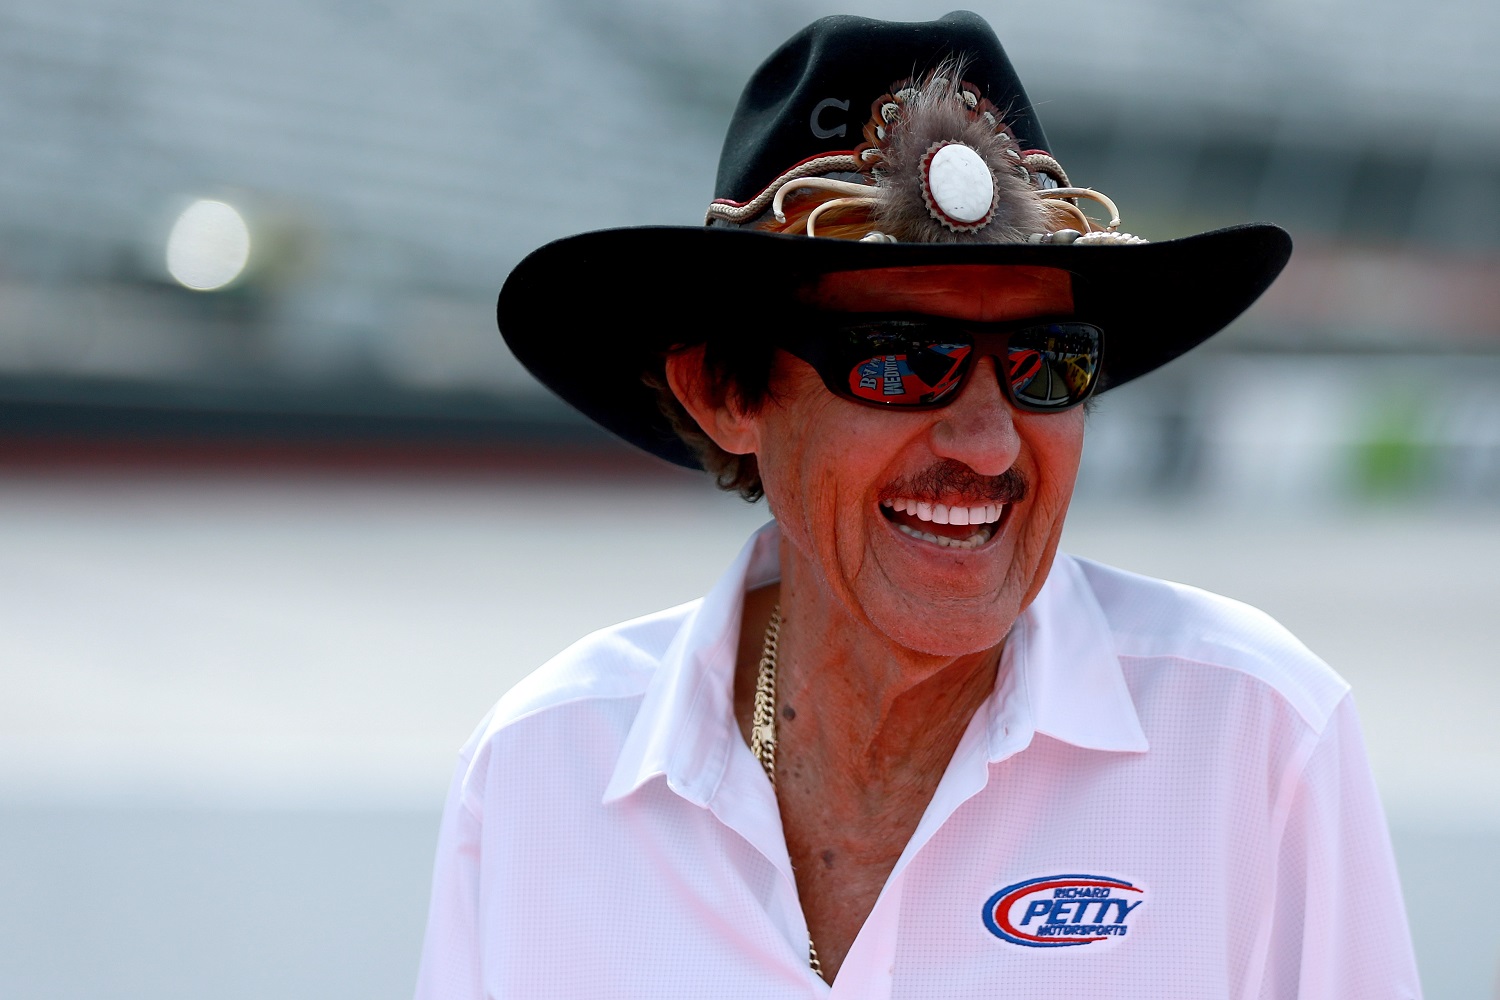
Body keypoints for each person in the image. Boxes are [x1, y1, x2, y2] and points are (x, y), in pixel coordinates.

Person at [415, 12, 1421, 998]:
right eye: (902, 361)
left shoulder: (1257, 737)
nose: (987, 444)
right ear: (725, 392)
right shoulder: (539, 771)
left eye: (1047, 365)